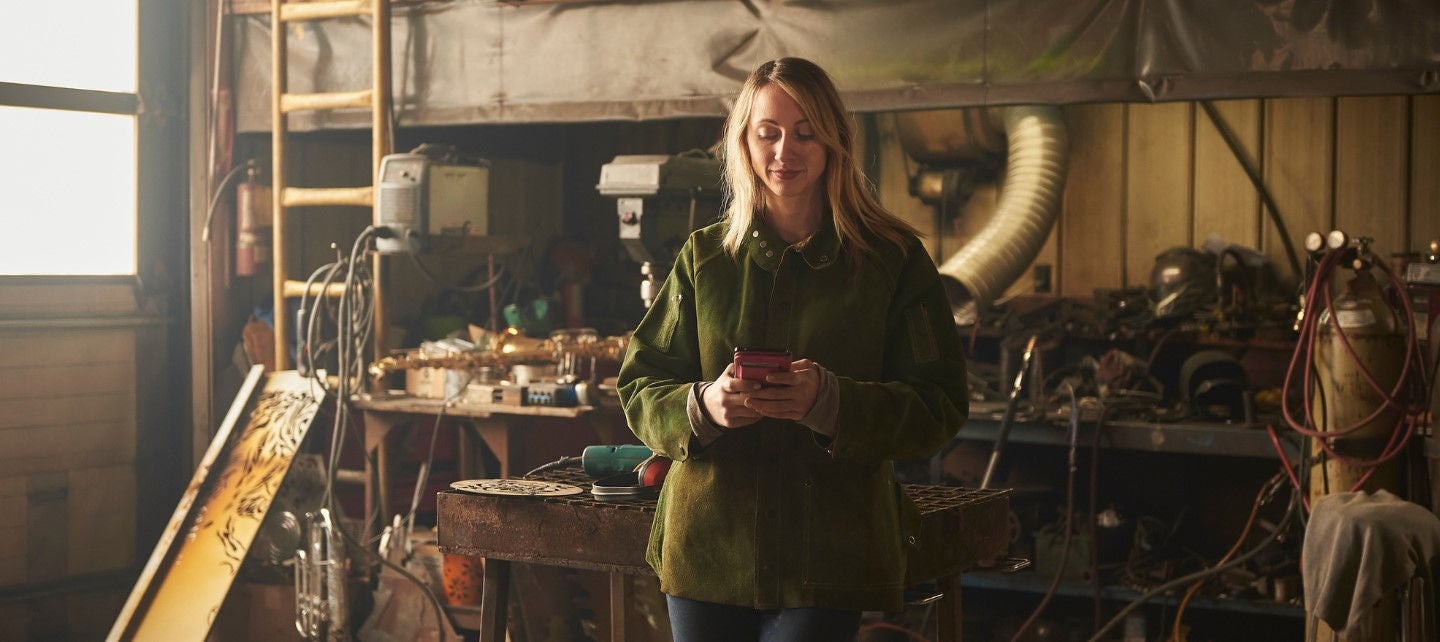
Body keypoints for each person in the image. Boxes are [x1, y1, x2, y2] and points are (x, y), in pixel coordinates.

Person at [616, 57, 969, 642]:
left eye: (806, 133)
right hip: (708, 550)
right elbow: (639, 384)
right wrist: (703, 406)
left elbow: (941, 403)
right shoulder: (705, 258)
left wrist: (830, 403)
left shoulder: (893, 261)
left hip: (830, 553)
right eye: (769, 133)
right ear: (745, 144)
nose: (785, 151)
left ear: (834, 143)